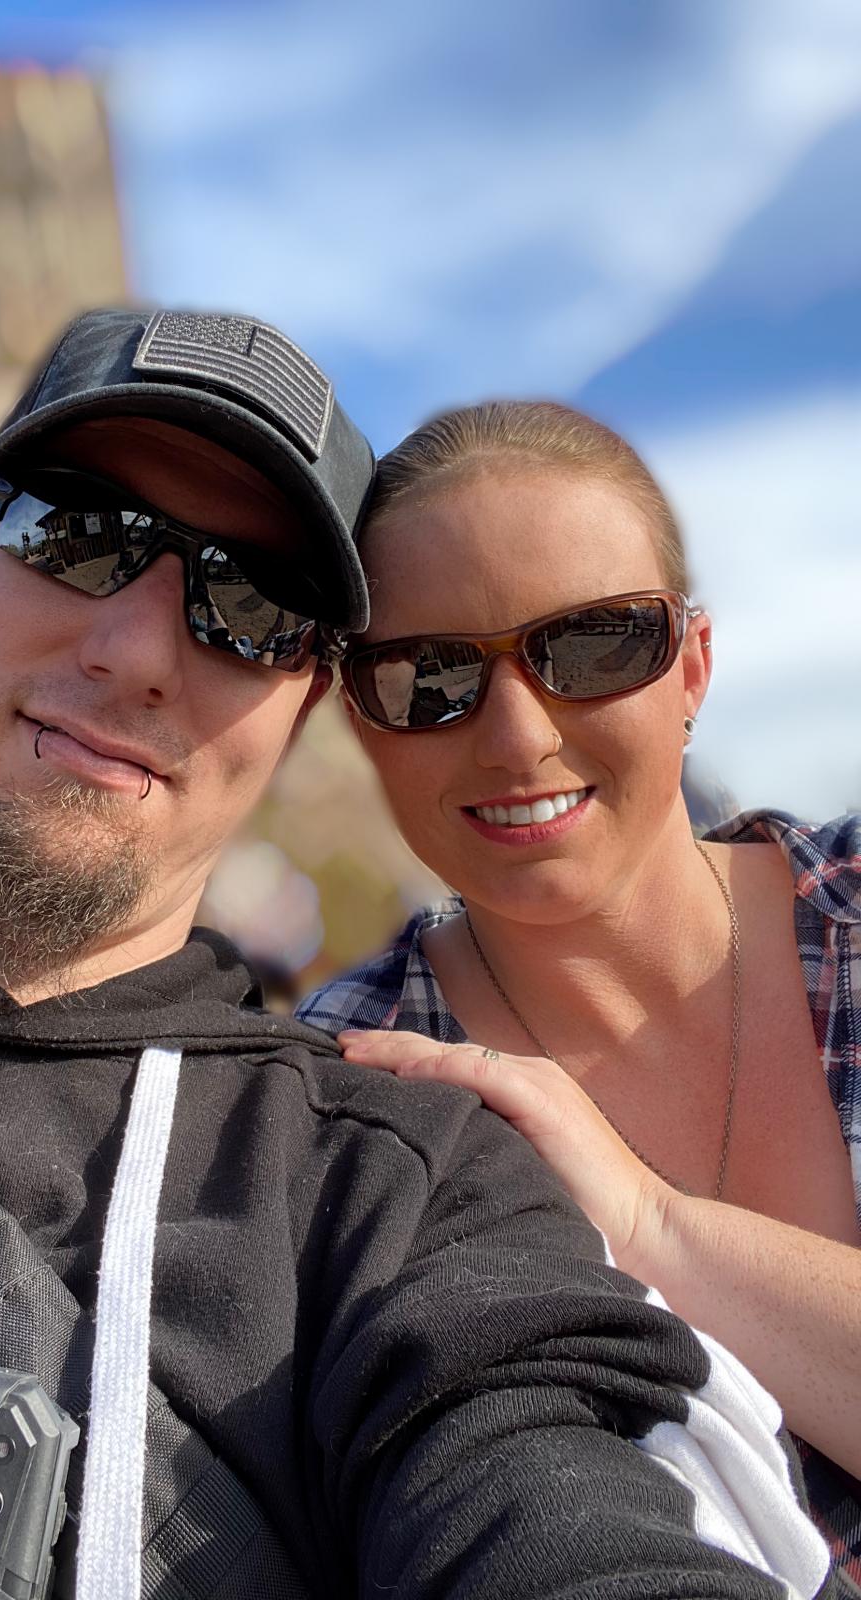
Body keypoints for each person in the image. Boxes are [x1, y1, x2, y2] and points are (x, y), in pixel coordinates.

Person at [0, 317, 836, 1600]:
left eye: (252, 610)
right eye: (76, 533)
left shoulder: (395, 1176)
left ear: (302, 706)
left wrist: (654, 1227)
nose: (138, 653)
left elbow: (548, 1497)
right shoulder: (401, 1039)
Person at [297, 398, 861, 1586]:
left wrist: (651, 1226)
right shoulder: (342, 1093)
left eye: (594, 645)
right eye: (429, 676)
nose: (516, 736)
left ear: (692, 665)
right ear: (361, 718)